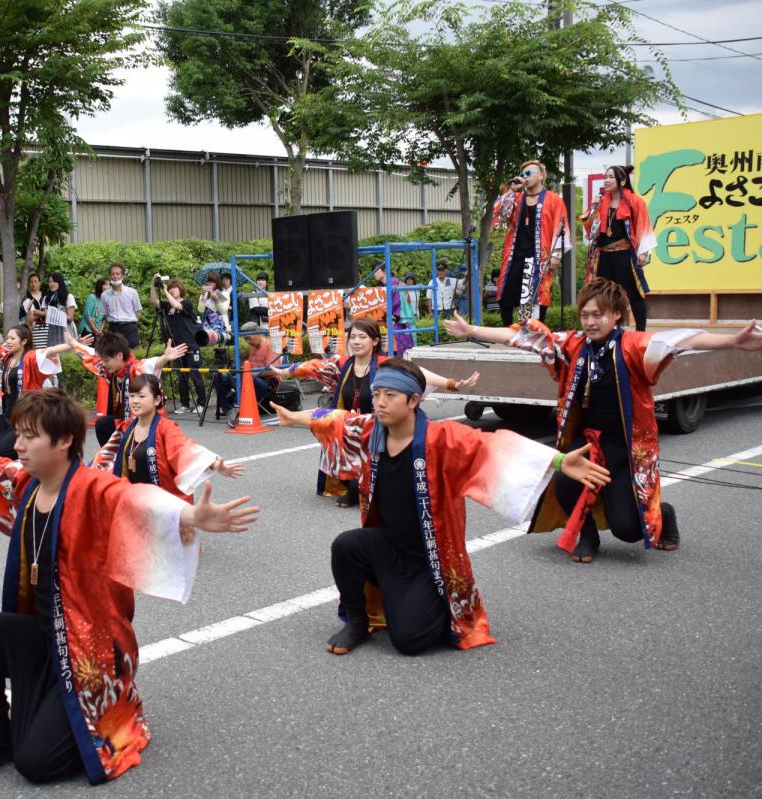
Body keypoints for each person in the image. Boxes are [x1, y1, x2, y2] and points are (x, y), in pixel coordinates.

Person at [0, 389, 259, 785]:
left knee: (37, 763)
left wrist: (190, 515)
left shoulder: (94, 489)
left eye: (29, 436)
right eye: (18, 434)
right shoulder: (29, 483)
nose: (18, 445)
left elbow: (137, 499)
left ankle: (113, 709)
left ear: (64, 440)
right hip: (45, 633)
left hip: (91, 649)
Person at [274, 358, 609, 655]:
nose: (379, 402)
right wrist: (292, 417)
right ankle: (358, 621)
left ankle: (419, 601)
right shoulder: (370, 431)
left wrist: (559, 460)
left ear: (414, 400)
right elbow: (331, 418)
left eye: (390, 395)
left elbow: (492, 445)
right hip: (387, 546)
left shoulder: (441, 438)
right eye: (376, 394)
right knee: (346, 545)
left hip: (430, 559)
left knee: (409, 640)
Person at [445, 278, 762, 563]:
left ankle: (663, 514)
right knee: (564, 481)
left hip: (625, 447)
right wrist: (473, 331)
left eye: (598, 315)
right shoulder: (573, 345)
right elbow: (523, 337)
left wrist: (733, 341)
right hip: (587, 443)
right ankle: (588, 536)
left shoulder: (634, 346)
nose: (590, 322)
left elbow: (683, 340)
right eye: (585, 315)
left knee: (628, 529)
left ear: (616, 315)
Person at [268, 318, 478, 506]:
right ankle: (355, 485)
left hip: (378, 428)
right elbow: (313, 366)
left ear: (375, 341)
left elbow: (417, 372)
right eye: (353, 337)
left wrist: (451, 384)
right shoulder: (342, 364)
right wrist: (285, 372)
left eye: (363, 337)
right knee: (337, 427)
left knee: (381, 477)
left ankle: (374, 486)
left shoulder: (386, 365)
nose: (356, 342)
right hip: (350, 428)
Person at [92, 374, 243, 497]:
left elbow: (184, 448)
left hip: (162, 503)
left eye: (141, 396)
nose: (135, 401)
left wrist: (214, 463)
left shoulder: (165, 428)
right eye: (131, 396)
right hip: (134, 501)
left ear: (157, 400)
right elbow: (106, 455)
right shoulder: (126, 427)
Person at [68, 330, 187, 446]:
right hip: (126, 420)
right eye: (103, 360)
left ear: (119, 356)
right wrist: (74, 343)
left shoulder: (136, 368)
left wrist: (165, 358)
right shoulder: (111, 371)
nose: (103, 364)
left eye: (106, 360)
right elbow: (91, 357)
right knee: (103, 424)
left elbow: (153, 364)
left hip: (147, 423)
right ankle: (113, 456)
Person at [0, 324, 71, 459]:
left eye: (12, 338)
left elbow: (49, 351)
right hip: (8, 415)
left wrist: (71, 344)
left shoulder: (30, 357)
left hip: (25, 417)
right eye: (8, 338)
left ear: (24, 341)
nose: (8, 341)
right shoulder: (7, 357)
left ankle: (28, 444)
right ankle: (22, 445)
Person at [493, 160, 571, 325]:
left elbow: (561, 225)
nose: (524, 177)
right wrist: (512, 190)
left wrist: (556, 255)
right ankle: (509, 330)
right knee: (505, 295)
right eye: (522, 174)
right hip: (514, 255)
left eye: (528, 173)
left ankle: (530, 331)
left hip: (539, 257)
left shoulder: (553, 199)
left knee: (535, 297)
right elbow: (500, 213)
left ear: (541, 176)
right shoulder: (517, 197)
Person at [582, 165, 655, 331]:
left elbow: (643, 225)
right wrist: (593, 209)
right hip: (604, 255)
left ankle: (640, 331)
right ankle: (609, 330)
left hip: (624, 254)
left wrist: (643, 252)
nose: (606, 180)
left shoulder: (634, 201)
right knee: (603, 293)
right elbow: (590, 228)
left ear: (622, 180)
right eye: (605, 177)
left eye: (610, 177)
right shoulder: (601, 201)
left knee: (633, 292)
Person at [149, 276, 206, 414]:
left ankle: (202, 403)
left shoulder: (186, 303)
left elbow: (177, 305)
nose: (172, 290)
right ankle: (185, 404)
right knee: (181, 376)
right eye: (170, 288)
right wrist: (153, 284)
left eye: (175, 288)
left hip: (191, 344)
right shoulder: (167, 306)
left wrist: (165, 290)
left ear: (181, 290)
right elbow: (154, 300)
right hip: (176, 346)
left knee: (195, 374)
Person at [100, 263, 142, 347]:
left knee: (131, 352)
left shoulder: (132, 292)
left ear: (122, 276)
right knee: (114, 351)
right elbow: (105, 313)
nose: (115, 276)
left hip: (129, 327)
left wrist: (132, 324)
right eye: (113, 274)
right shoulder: (104, 295)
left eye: (118, 274)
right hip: (114, 328)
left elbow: (138, 311)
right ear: (110, 276)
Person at [42, 272, 76, 348]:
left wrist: (54, 314)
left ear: (60, 282)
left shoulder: (69, 297)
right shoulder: (46, 298)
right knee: (53, 352)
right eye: (50, 282)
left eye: (54, 281)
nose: (51, 284)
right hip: (52, 329)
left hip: (66, 330)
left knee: (67, 352)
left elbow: (70, 318)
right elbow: (46, 316)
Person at [21, 274, 48, 350]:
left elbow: (49, 308)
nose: (33, 284)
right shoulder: (26, 296)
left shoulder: (45, 295)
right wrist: (45, 313)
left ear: (39, 283)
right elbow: (31, 312)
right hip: (33, 327)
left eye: (35, 281)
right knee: (36, 349)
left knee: (47, 349)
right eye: (31, 282)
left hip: (46, 327)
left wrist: (37, 313)